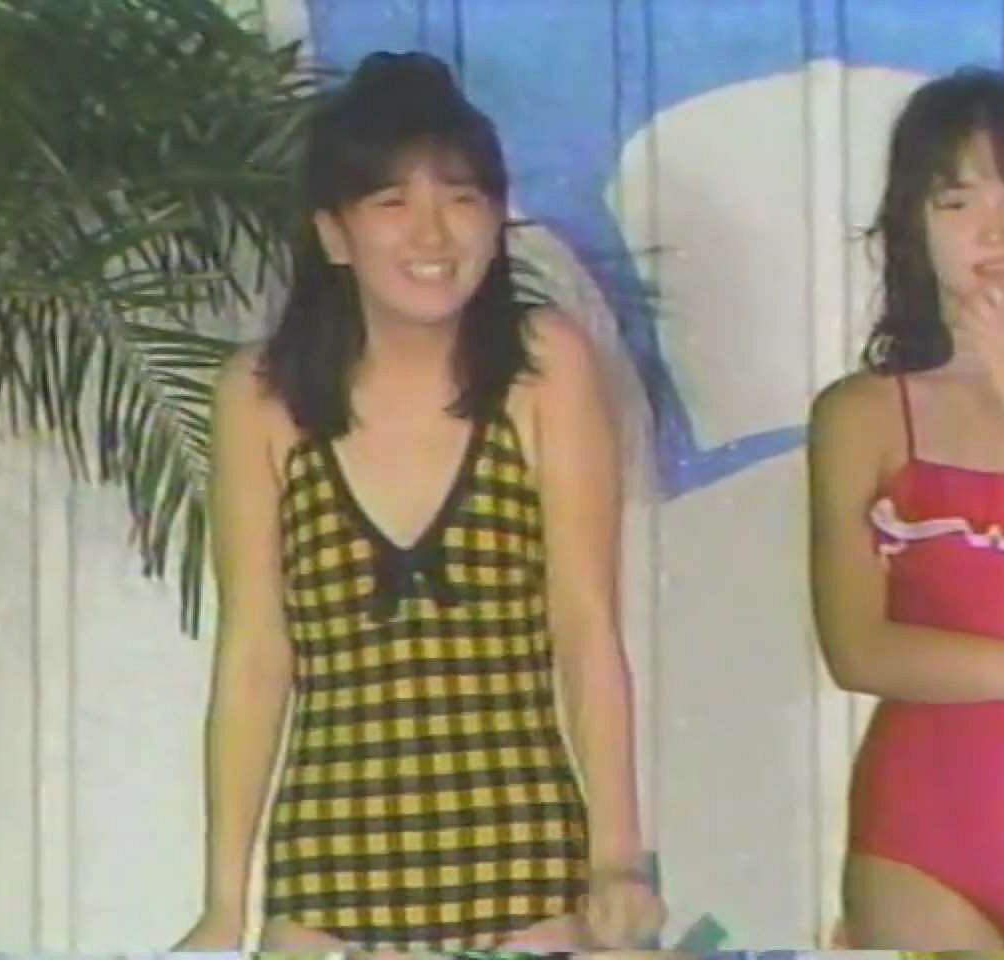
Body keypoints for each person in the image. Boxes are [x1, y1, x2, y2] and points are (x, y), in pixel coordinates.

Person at [175, 51, 662, 953]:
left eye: (462, 198)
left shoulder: (543, 366)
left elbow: (586, 625)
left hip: (524, 878)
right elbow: (253, 655)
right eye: (392, 202)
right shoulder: (259, 395)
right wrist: (223, 903)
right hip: (326, 884)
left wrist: (617, 859)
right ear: (334, 235)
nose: (433, 234)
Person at [809, 67, 1004, 948]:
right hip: (926, 835)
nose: (994, 228)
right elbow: (858, 650)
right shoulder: (862, 415)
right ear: (912, 223)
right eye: (956, 201)